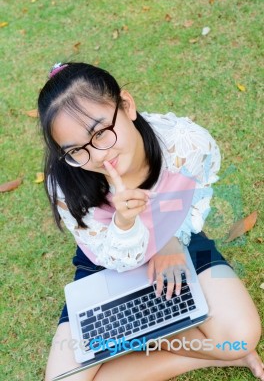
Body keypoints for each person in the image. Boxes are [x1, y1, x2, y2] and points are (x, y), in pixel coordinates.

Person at [38, 62, 263, 381]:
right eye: (77, 150)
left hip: (178, 237)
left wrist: (171, 239)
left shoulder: (182, 143)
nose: (98, 155)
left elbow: (200, 188)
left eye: (101, 132)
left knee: (240, 335)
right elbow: (112, 257)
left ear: (126, 105)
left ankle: (211, 347)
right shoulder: (64, 182)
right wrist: (125, 224)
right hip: (108, 261)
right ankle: (218, 355)